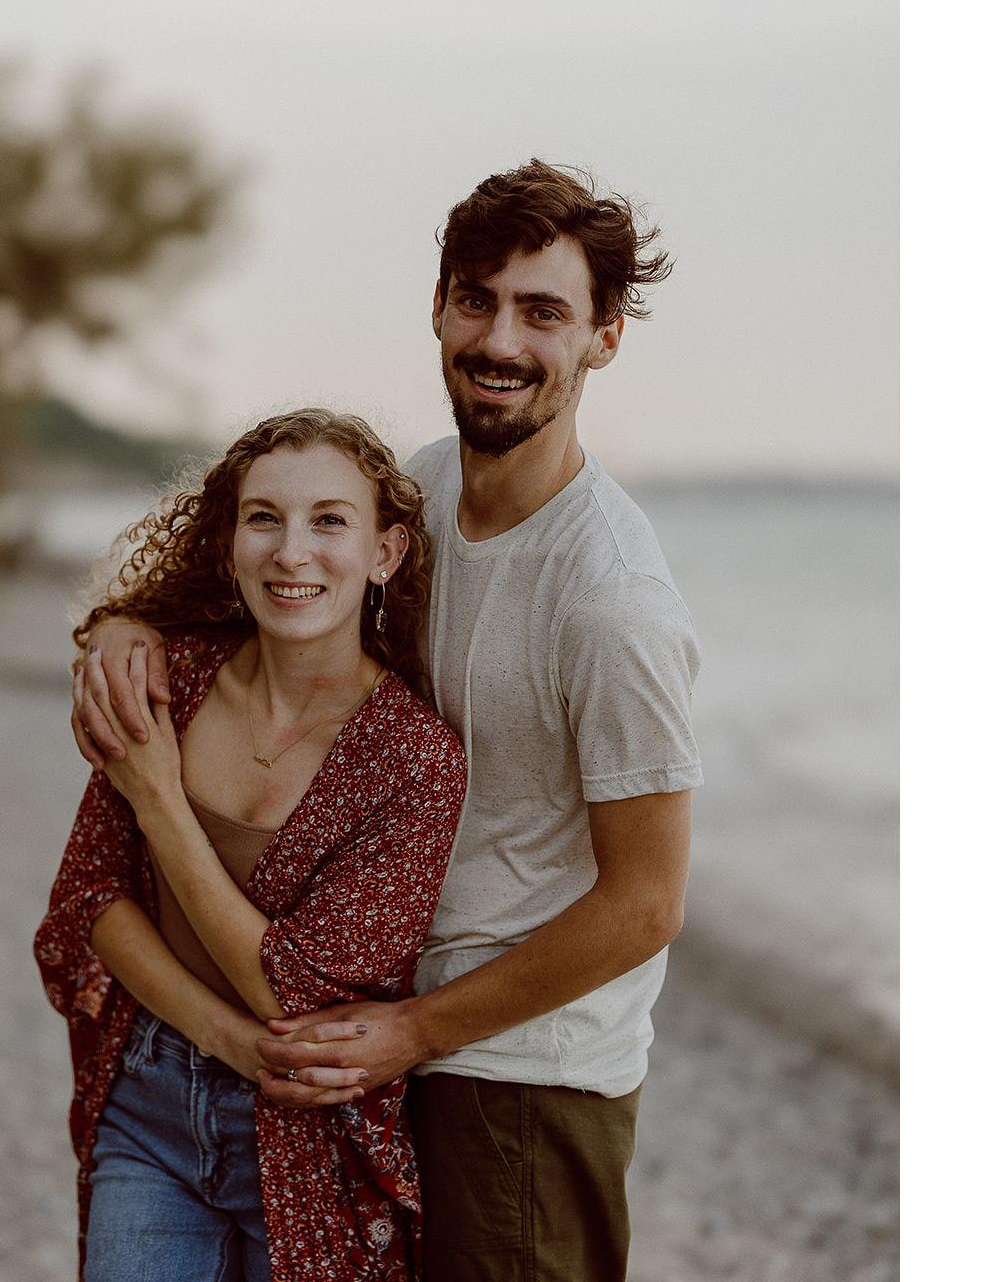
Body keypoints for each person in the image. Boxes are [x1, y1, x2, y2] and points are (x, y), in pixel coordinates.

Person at [75, 161, 703, 1282]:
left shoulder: (611, 600)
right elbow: (270, 597)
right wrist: (123, 625)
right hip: (383, 1039)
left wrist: (419, 1030)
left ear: (603, 337)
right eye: (476, 299)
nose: (500, 339)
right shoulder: (426, 490)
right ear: (439, 308)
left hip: (522, 1077)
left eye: (543, 312)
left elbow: (647, 902)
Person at [36, 409, 467, 1282]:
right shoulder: (174, 679)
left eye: (329, 521)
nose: (292, 552)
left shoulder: (414, 759)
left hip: (312, 1142)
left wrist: (160, 801)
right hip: (148, 1107)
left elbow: (292, 989)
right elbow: (92, 896)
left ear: (385, 554)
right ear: (229, 544)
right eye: (264, 517)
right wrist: (227, 1040)